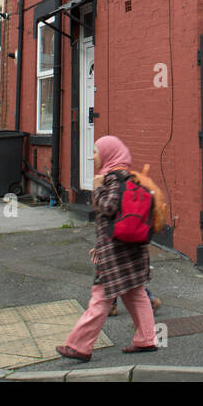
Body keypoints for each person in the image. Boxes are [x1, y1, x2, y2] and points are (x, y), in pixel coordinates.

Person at [56, 135, 159, 360]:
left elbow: (108, 207)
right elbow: (117, 219)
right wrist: (99, 246)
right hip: (132, 249)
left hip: (116, 254)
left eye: (96, 152)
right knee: (136, 294)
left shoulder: (112, 179)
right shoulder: (131, 178)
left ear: (108, 154)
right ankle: (147, 339)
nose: (93, 156)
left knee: (100, 298)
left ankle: (79, 346)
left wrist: (96, 188)